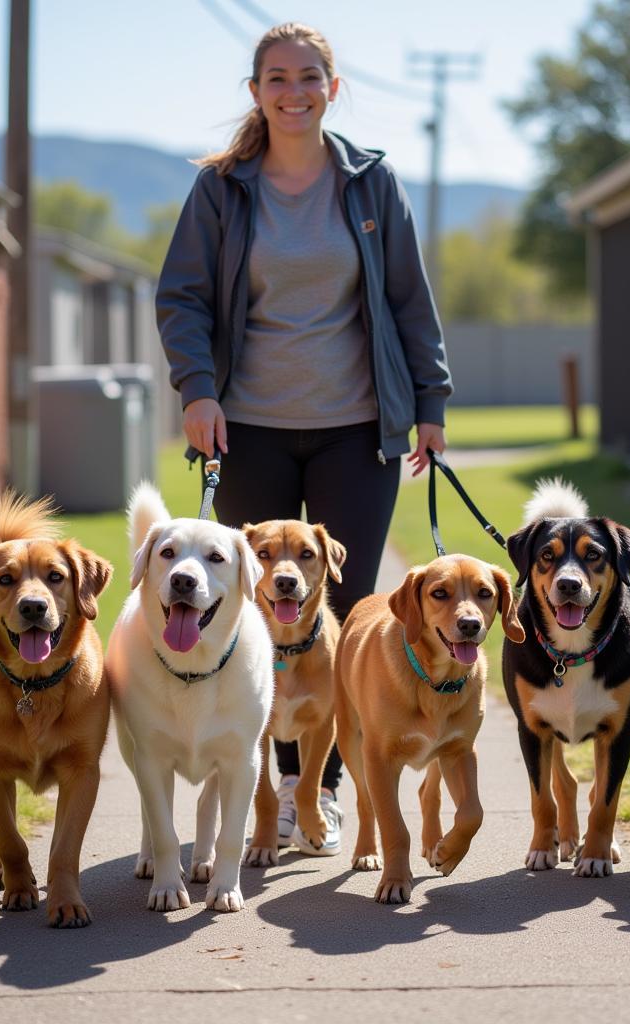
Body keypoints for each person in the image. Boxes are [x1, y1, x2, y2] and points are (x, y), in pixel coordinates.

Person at [155, 22, 452, 858]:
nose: (294, 91)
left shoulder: (370, 183)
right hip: (245, 426)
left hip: (359, 426)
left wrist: (429, 399)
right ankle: (273, 790)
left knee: (347, 613)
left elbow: (408, 299)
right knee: (261, 609)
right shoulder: (222, 190)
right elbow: (180, 297)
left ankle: (315, 788)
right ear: (256, 91)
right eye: (277, 78)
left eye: (309, 77)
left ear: (332, 86)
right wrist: (198, 389)